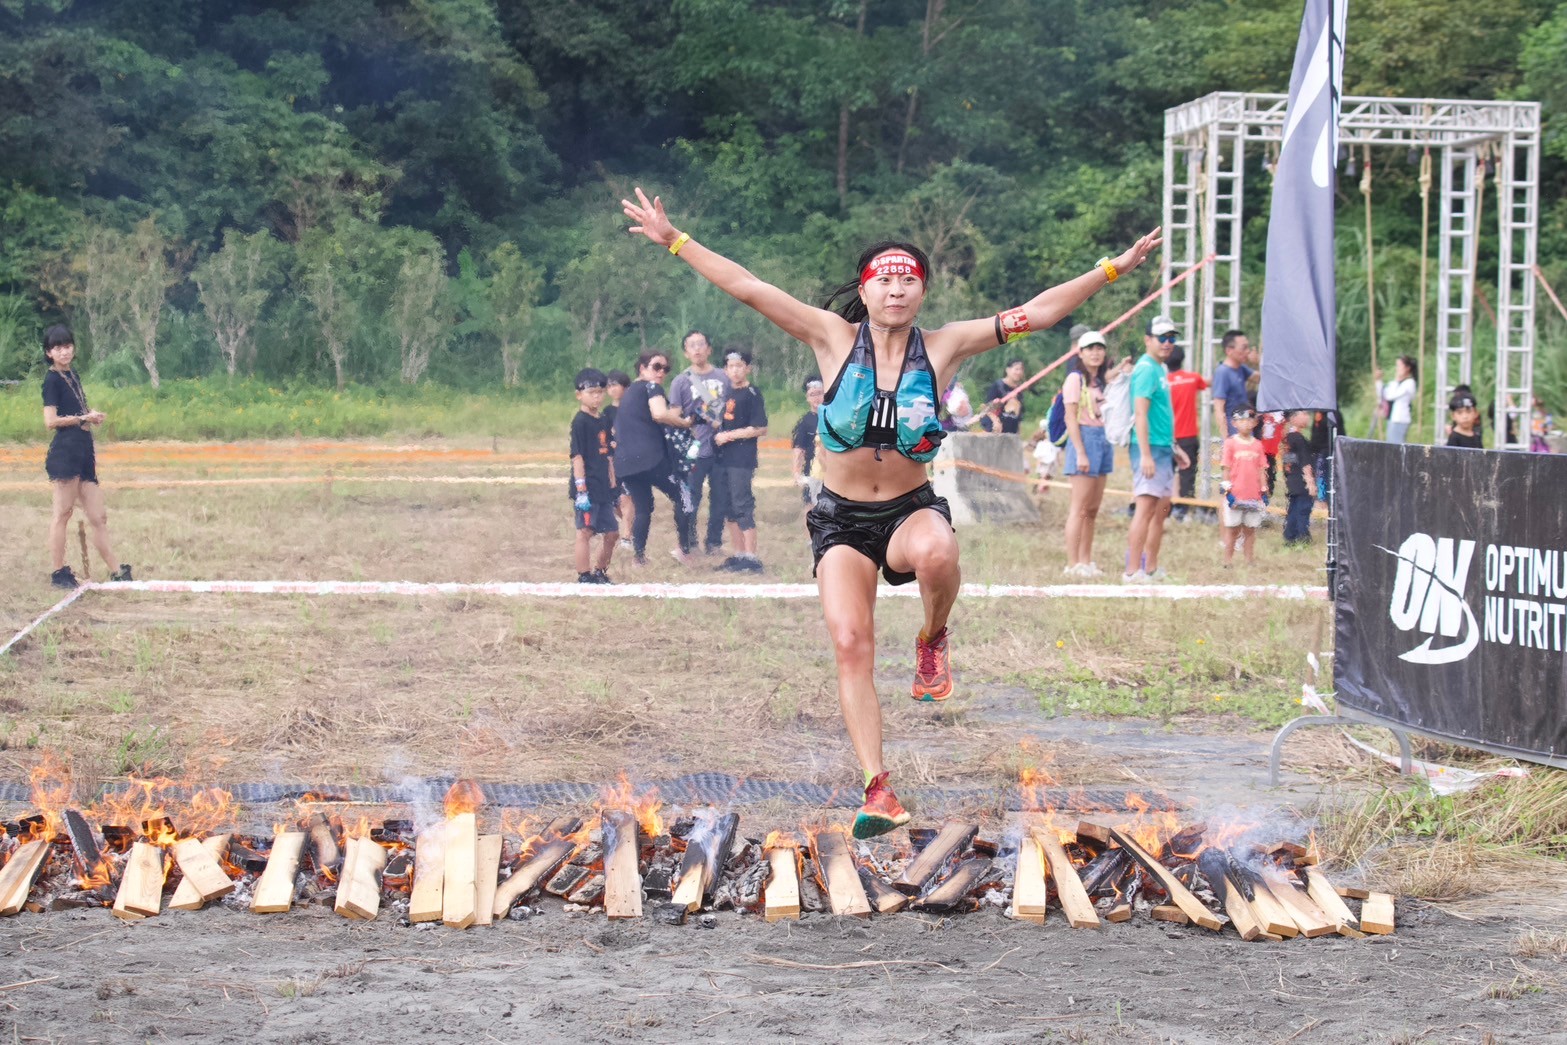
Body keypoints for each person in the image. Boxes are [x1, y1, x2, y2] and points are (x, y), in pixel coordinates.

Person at [621, 185, 1159, 837]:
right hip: (840, 518)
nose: (897, 290)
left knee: (937, 551)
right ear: (865, 288)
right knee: (851, 643)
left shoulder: (945, 345)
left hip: (908, 509)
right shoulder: (829, 336)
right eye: (885, 279)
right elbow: (748, 286)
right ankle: (877, 788)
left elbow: (1038, 314)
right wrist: (674, 238)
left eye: (909, 280)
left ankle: (933, 637)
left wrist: (1112, 268)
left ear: (922, 292)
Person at [39, 326, 131, 588]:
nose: (64, 351)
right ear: (49, 353)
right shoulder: (52, 380)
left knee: (98, 516)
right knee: (63, 513)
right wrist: (82, 418)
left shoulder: (72, 374)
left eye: (67, 346)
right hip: (65, 452)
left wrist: (91, 415)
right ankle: (59, 572)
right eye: (57, 348)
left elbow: (77, 410)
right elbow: (50, 421)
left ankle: (117, 571)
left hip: (83, 451)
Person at [611, 349, 697, 566]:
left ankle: (639, 557)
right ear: (642, 368)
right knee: (684, 497)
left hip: (626, 463)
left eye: (665, 368)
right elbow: (659, 414)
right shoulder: (651, 387)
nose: (661, 372)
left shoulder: (629, 394)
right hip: (650, 458)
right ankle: (684, 549)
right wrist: (686, 423)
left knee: (644, 507)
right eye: (656, 367)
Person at [1124, 317, 1190, 582]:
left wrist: (1173, 447)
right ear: (1147, 339)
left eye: (1171, 338)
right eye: (1162, 338)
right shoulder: (1146, 369)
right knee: (1145, 508)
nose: (1167, 343)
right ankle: (1132, 571)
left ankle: (1150, 567)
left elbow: (1160, 415)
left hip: (1163, 447)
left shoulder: (1160, 369)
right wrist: (1146, 455)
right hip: (1148, 447)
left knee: (1160, 510)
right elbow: (1140, 413)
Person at [669, 331, 732, 555]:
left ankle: (714, 542)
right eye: (691, 346)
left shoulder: (723, 378)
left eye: (701, 344)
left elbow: (730, 409)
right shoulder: (680, 381)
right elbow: (673, 415)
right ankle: (689, 542)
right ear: (686, 352)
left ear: (709, 349)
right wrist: (689, 422)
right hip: (693, 450)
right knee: (691, 498)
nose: (697, 349)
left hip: (720, 448)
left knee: (720, 498)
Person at [1060, 330, 1116, 577]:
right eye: (1090, 349)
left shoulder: (1102, 381)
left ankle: (1086, 560)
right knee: (1079, 507)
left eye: (1099, 348)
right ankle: (1073, 564)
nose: (1095, 353)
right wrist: (1081, 452)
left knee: (1092, 508)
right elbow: (1070, 417)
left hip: (1104, 439)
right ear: (1080, 353)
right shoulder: (1075, 379)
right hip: (1084, 438)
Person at [712, 350, 769, 572]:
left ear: (747, 368)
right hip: (723, 458)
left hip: (742, 459)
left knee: (742, 503)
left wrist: (730, 435)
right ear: (725, 370)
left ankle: (751, 556)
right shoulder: (725, 394)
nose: (735, 370)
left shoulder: (752, 394)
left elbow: (760, 428)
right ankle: (738, 554)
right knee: (728, 506)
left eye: (739, 365)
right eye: (730, 366)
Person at [569, 369, 619, 583]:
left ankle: (600, 571)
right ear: (579, 394)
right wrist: (581, 489)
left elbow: (608, 455)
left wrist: (614, 486)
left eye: (600, 392)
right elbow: (577, 457)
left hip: (603, 486)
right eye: (591, 392)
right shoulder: (580, 422)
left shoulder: (604, 420)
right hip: (587, 486)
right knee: (585, 531)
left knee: (612, 533)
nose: (596, 397)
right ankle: (583, 574)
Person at [1218, 406, 1268, 568]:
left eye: (1249, 420)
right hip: (1235, 494)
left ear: (1254, 423)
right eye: (1241, 420)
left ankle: (1249, 560)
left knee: (1250, 529)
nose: (1246, 424)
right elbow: (1226, 468)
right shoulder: (1230, 444)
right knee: (1232, 529)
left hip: (1253, 495)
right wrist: (1227, 491)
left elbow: (1261, 469)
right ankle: (1227, 560)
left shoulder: (1258, 446)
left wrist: (1264, 490)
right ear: (1234, 423)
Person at [1164, 343, 1209, 520]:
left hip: (1167, 436)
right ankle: (1184, 508)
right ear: (1183, 359)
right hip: (1188, 436)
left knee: (1166, 472)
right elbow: (1206, 383)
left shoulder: (1163, 382)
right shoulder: (1193, 378)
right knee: (1187, 473)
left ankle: (1165, 506)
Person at [604, 370, 635, 549]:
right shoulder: (607, 412)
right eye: (609, 386)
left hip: (630, 460)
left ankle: (626, 537)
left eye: (616, 385)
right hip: (613, 461)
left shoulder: (633, 410)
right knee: (616, 501)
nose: (612, 389)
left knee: (627, 499)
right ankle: (633, 527)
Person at [1280, 410, 1316, 546]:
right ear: (1293, 417)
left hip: (1292, 479)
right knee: (1302, 509)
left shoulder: (1287, 438)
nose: (1308, 416)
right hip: (1301, 481)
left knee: (1294, 508)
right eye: (1304, 413)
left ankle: (1290, 536)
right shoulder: (1299, 439)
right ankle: (1302, 537)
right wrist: (1310, 483)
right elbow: (1305, 462)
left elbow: (1288, 462)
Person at [1210, 329, 1253, 437]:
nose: (1248, 351)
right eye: (1244, 348)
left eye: (1248, 347)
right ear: (1229, 350)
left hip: (1246, 429)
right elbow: (1219, 409)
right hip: (1234, 432)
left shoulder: (1241, 368)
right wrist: (1226, 439)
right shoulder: (1222, 372)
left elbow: (1260, 378)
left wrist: (1257, 361)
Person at [792, 375, 824, 505]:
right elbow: (798, 449)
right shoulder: (804, 422)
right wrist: (796, 472)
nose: (816, 398)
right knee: (810, 509)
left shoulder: (835, 419)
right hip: (811, 471)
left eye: (819, 393)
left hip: (832, 472)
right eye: (812, 394)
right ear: (807, 398)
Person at [1375, 356, 1418, 444]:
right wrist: (1378, 381)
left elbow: (1391, 396)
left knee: (1397, 445)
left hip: (1401, 419)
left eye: (1400, 366)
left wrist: (1396, 380)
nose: (1397, 369)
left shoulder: (1410, 383)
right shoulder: (1395, 383)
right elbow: (1383, 394)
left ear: (1407, 368)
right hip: (1392, 418)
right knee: (1391, 444)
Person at [982, 358, 1028, 434]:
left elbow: (1019, 416)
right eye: (1016, 369)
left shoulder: (1019, 391)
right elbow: (987, 408)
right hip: (995, 432)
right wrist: (995, 423)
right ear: (1008, 370)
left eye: (1021, 369)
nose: (1019, 372)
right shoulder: (997, 386)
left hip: (1011, 433)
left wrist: (1018, 435)